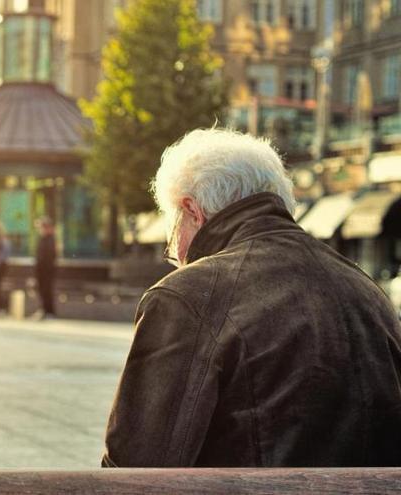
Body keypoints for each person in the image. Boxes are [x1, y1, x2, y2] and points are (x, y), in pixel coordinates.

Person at [102, 128, 401, 467]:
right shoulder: (366, 290)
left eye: (172, 235)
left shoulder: (187, 296)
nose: (175, 254)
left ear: (192, 212)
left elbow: (135, 467)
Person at [34, 217, 57, 318]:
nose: (40, 230)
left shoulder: (50, 239)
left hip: (46, 269)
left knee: (46, 290)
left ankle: (48, 311)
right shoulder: (43, 239)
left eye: (42, 227)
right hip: (41, 269)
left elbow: (49, 256)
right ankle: (45, 310)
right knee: (42, 290)